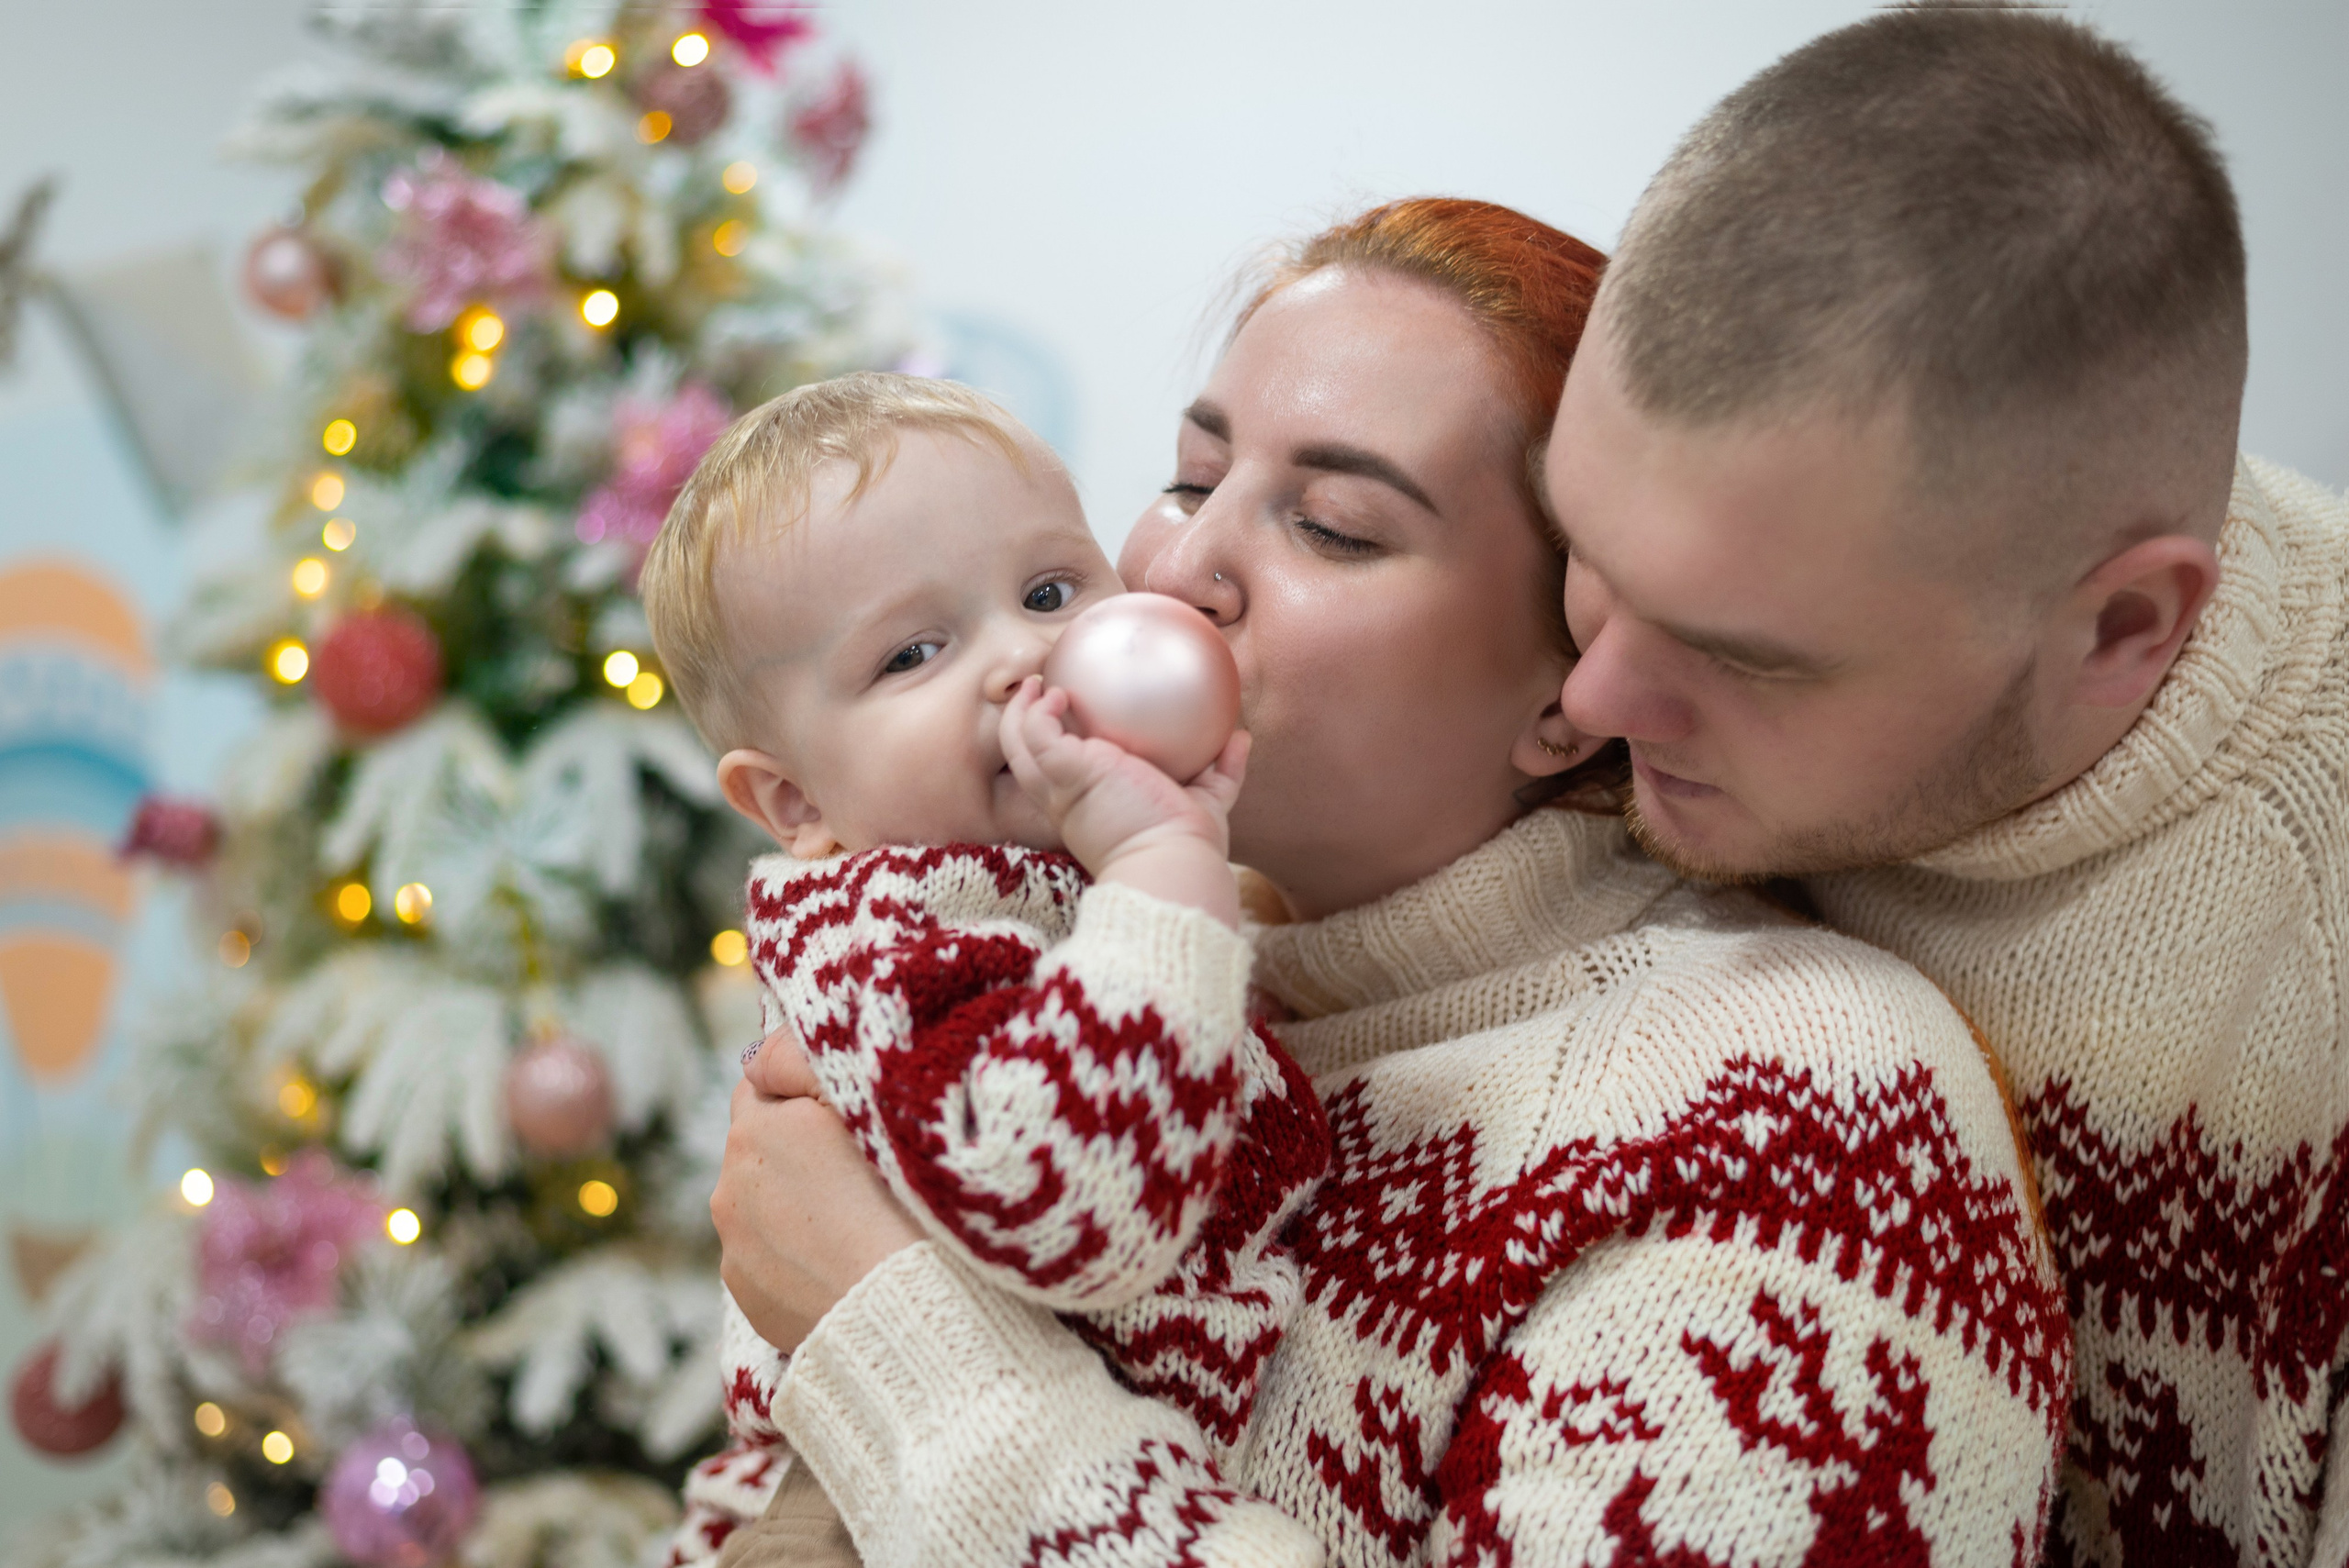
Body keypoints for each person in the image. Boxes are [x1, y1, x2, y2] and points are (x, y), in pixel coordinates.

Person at [719, 199, 2070, 1565]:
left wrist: (889, 1334)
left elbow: (909, 1379)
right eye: (1191, 482)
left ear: (1571, 688)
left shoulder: (1798, 1114)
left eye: (1334, 528)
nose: (1178, 572)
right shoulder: (1085, 964)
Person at [1542, 10, 2347, 1565]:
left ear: (2123, 625)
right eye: (1581, 544)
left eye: (1746, 657)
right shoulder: (1716, 601)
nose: (1585, 697)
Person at [638, 374, 1328, 1565]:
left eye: (1051, 590)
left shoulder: (1040, 890)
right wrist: (1165, 863)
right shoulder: (897, 948)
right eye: (913, 652)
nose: (1025, 655)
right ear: (795, 799)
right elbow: (1079, 1210)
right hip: (852, 1517)